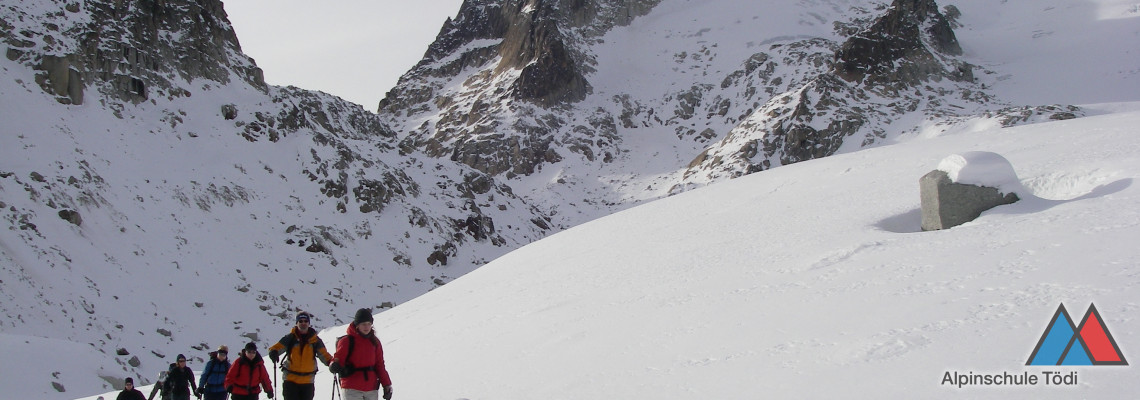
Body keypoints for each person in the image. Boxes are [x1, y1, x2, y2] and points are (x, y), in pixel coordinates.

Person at [267, 311, 333, 400]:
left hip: (307, 382)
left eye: (305, 321)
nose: (303, 323)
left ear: (309, 323)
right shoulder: (290, 338)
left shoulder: (315, 340)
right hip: (290, 380)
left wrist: (332, 363)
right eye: (300, 321)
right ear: (297, 323)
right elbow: (276, 347)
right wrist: (273, 352)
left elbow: (324, 355)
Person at [330, 308, 392, 400]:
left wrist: (387, 385)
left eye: (369, 324)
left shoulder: (375, 342)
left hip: (371, 388)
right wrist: (334, 364)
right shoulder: (346, 341)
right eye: (363, 324)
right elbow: (339, 358)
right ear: (357, 325)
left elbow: (380, 365)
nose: (366, 327)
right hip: (351, 388)